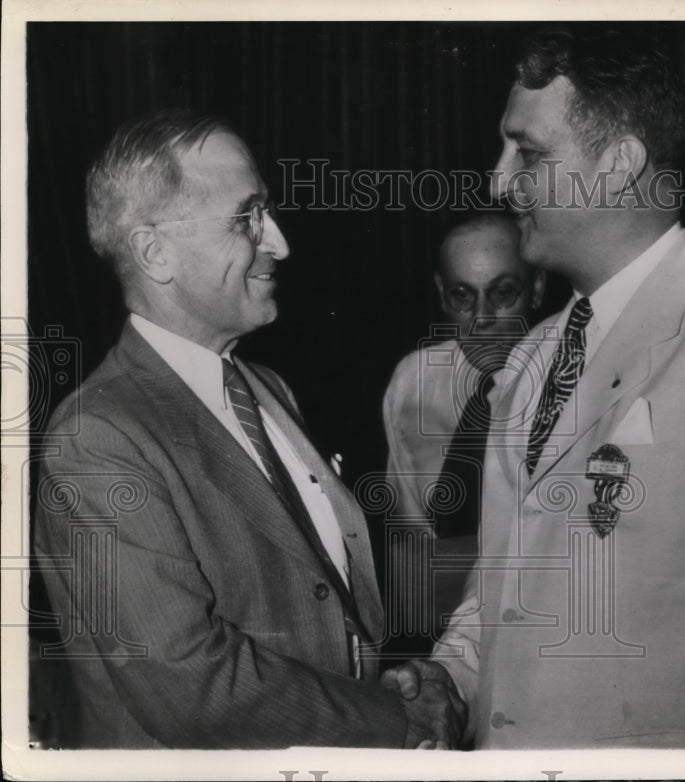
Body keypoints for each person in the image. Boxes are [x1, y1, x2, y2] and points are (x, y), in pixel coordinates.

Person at [383, 29, 685, 749]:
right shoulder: (532, 359)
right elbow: (501, 594)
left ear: (620, 163)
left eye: (530, 153)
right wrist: (450, 677)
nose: (498, 181)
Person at [32, 109, 464, 749]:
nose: (280, 242)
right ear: (156, 253)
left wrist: (377, 687)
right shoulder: (96, 438)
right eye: (247, 217)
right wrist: (392, 722)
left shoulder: (268, 389)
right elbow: (189, 688)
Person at [381, 214, 546, 650]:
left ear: (538, 287)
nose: (481, 318)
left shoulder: (573, 381)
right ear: (441, 293)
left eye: (503, 293)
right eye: (462, 296)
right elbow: (412, 545)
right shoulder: (414, 380)